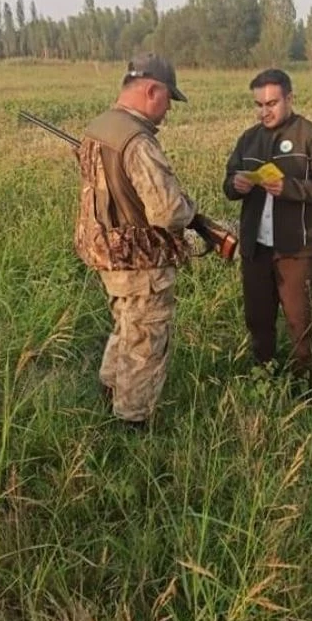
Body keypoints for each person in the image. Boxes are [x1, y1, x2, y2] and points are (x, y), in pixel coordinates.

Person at [77, 53, 196, 428]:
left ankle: (110, 391)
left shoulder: (98, 126)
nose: (168, 111)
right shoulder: (137, 140)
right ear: (151, 90)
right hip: (140, 261)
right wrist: (192, 212)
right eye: (168, 100)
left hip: (107, 254)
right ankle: (131, 424)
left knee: (126, 325)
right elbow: (167, 212)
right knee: (146, 342)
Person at [223, 68, 312, 390]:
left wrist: (289, 187)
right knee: (258, 320)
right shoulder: (249, 139)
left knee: (300, 322)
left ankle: (306, 388)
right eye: (259, 104)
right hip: (255, 247)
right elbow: (228, 184)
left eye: (271, 103)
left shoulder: (311, 137)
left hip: (297, 248)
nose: (264, 111)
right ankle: (265, 380)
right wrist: (236, 184)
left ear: (290, 99)